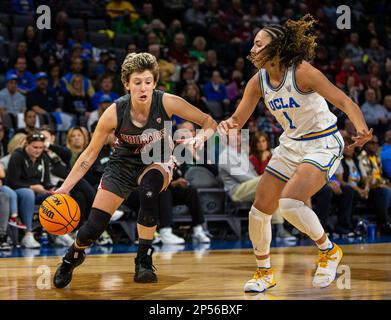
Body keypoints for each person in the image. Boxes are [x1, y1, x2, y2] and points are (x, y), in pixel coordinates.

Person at [217, 15, 372, 292]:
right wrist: (229, 124)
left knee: (289, 204)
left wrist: (361, 128)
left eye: (258, 44)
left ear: (275, 49)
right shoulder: (258, 82)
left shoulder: (302, 72)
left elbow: (344, 101)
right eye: (253, 44)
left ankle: (329, 251)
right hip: (291, 144)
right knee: (258, 211)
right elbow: (238, 120)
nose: (252, 50)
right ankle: (264, 273)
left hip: (323, 142)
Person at [53, 52, 217, 288]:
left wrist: (199, 138)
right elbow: (89, 154)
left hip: (157, 160)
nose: (143, 87)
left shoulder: (166, 102)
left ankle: (143, 259)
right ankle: (72, 256)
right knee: (93, 227)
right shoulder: (113, 112)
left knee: (148, 190)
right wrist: (64, 189)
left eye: (148, 82)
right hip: (122, 164)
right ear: (126, 84)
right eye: (137, 82)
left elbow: (209, 121)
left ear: (155, 83)